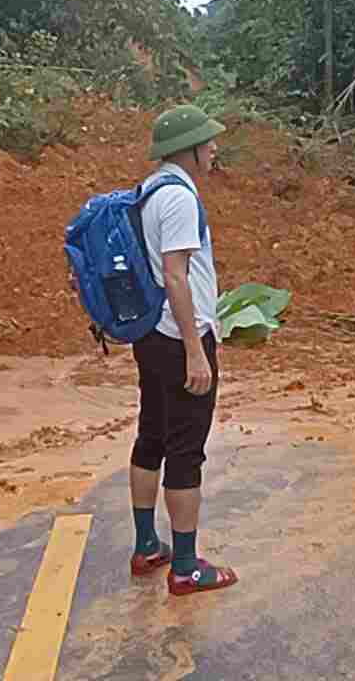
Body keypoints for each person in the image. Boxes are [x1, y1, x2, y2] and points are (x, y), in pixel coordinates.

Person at [128, 105, 239, 596]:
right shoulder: (178, 198)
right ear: (187, 150)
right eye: (207, 141)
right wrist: (197, 350)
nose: (214, 149)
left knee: (151, 434)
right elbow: (176, 274)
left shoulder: (150, 191)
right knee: (185, 450)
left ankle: (148, 544)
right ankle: (187, 566)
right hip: (179, 338)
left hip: (152, 335)